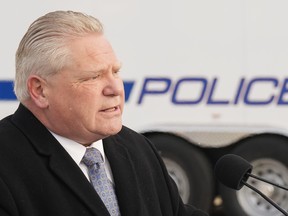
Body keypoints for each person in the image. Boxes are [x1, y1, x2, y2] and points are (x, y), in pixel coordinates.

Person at [0, 10, 208, 216]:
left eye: (115, 72)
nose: (115, 89)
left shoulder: (137, 147)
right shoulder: (7, 165)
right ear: (40, 90)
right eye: (93, 77)